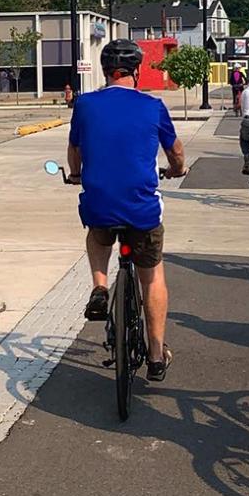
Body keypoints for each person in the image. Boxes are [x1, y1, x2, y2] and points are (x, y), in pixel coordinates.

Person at [67, 38, 187, 382]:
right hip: (141, 207)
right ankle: (155, 353)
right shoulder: (153, 106)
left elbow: (74, 149)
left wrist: (76, 175)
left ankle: (100, 286)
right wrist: (178, 170)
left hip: (100, 202)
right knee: (152, 275)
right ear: (136, 71)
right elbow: (175, 151)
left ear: (105, 72)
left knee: (98, 232)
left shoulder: (85, 105)